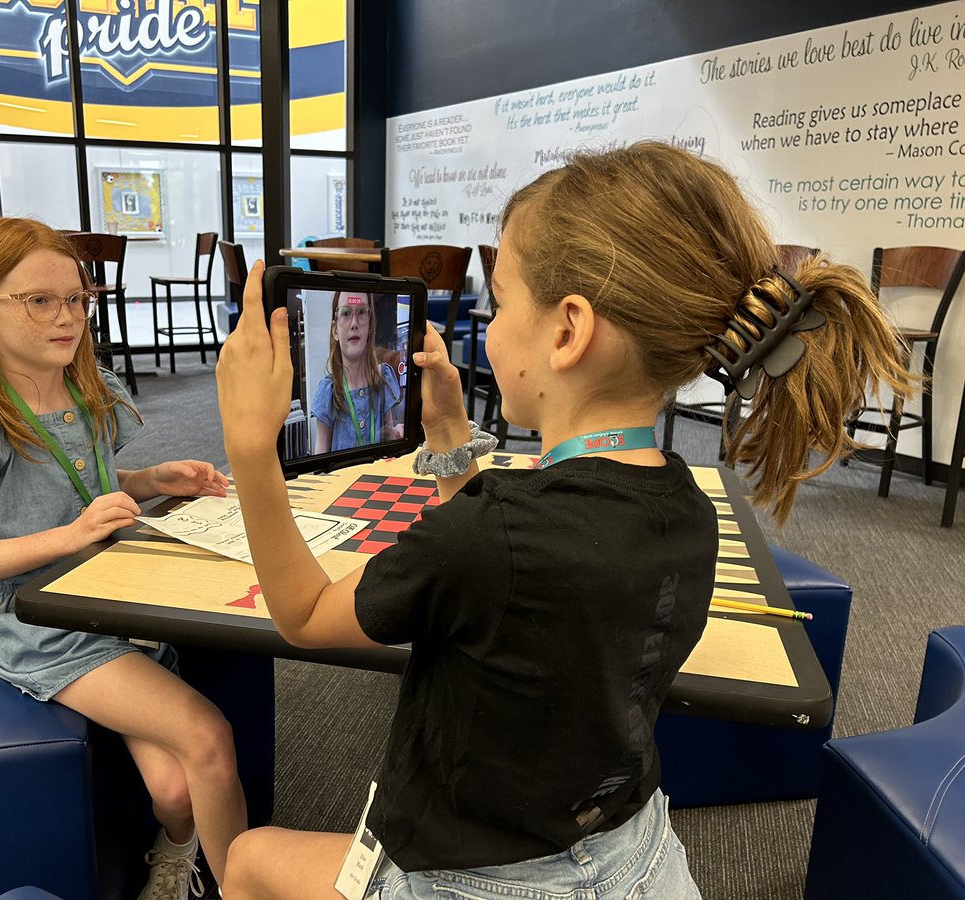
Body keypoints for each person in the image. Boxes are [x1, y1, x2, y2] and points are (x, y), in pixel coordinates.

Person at [212, 141, 915, 899]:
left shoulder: (495, 536)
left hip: (481, 882)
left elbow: (306, 614)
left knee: (249, 858)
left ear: (567, 331)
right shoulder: (689, 504)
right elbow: (511, 579)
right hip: (635, 856)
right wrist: (449, 434)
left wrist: (252, 450)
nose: (491, 320)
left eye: (504, 298)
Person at [0, 217, 246, 900]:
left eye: (77, 299)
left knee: (178, 790)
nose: (67, 317)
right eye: (40, 301)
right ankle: (246, 888)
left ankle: (178, 853)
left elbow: (88, 485)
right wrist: (74, 534)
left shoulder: (89, 389)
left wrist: (152, 482)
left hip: (114, 595)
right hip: (44, 621)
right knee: (208, 740)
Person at [311, 290, 404, 454]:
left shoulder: (383, 378)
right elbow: (320, 456)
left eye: (361, 312)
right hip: (341, 479)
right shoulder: (328, 391)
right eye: (346, 313)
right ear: (335, 331)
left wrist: (396, 434)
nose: (354, 323)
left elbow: (389, 438)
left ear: (370, 324)